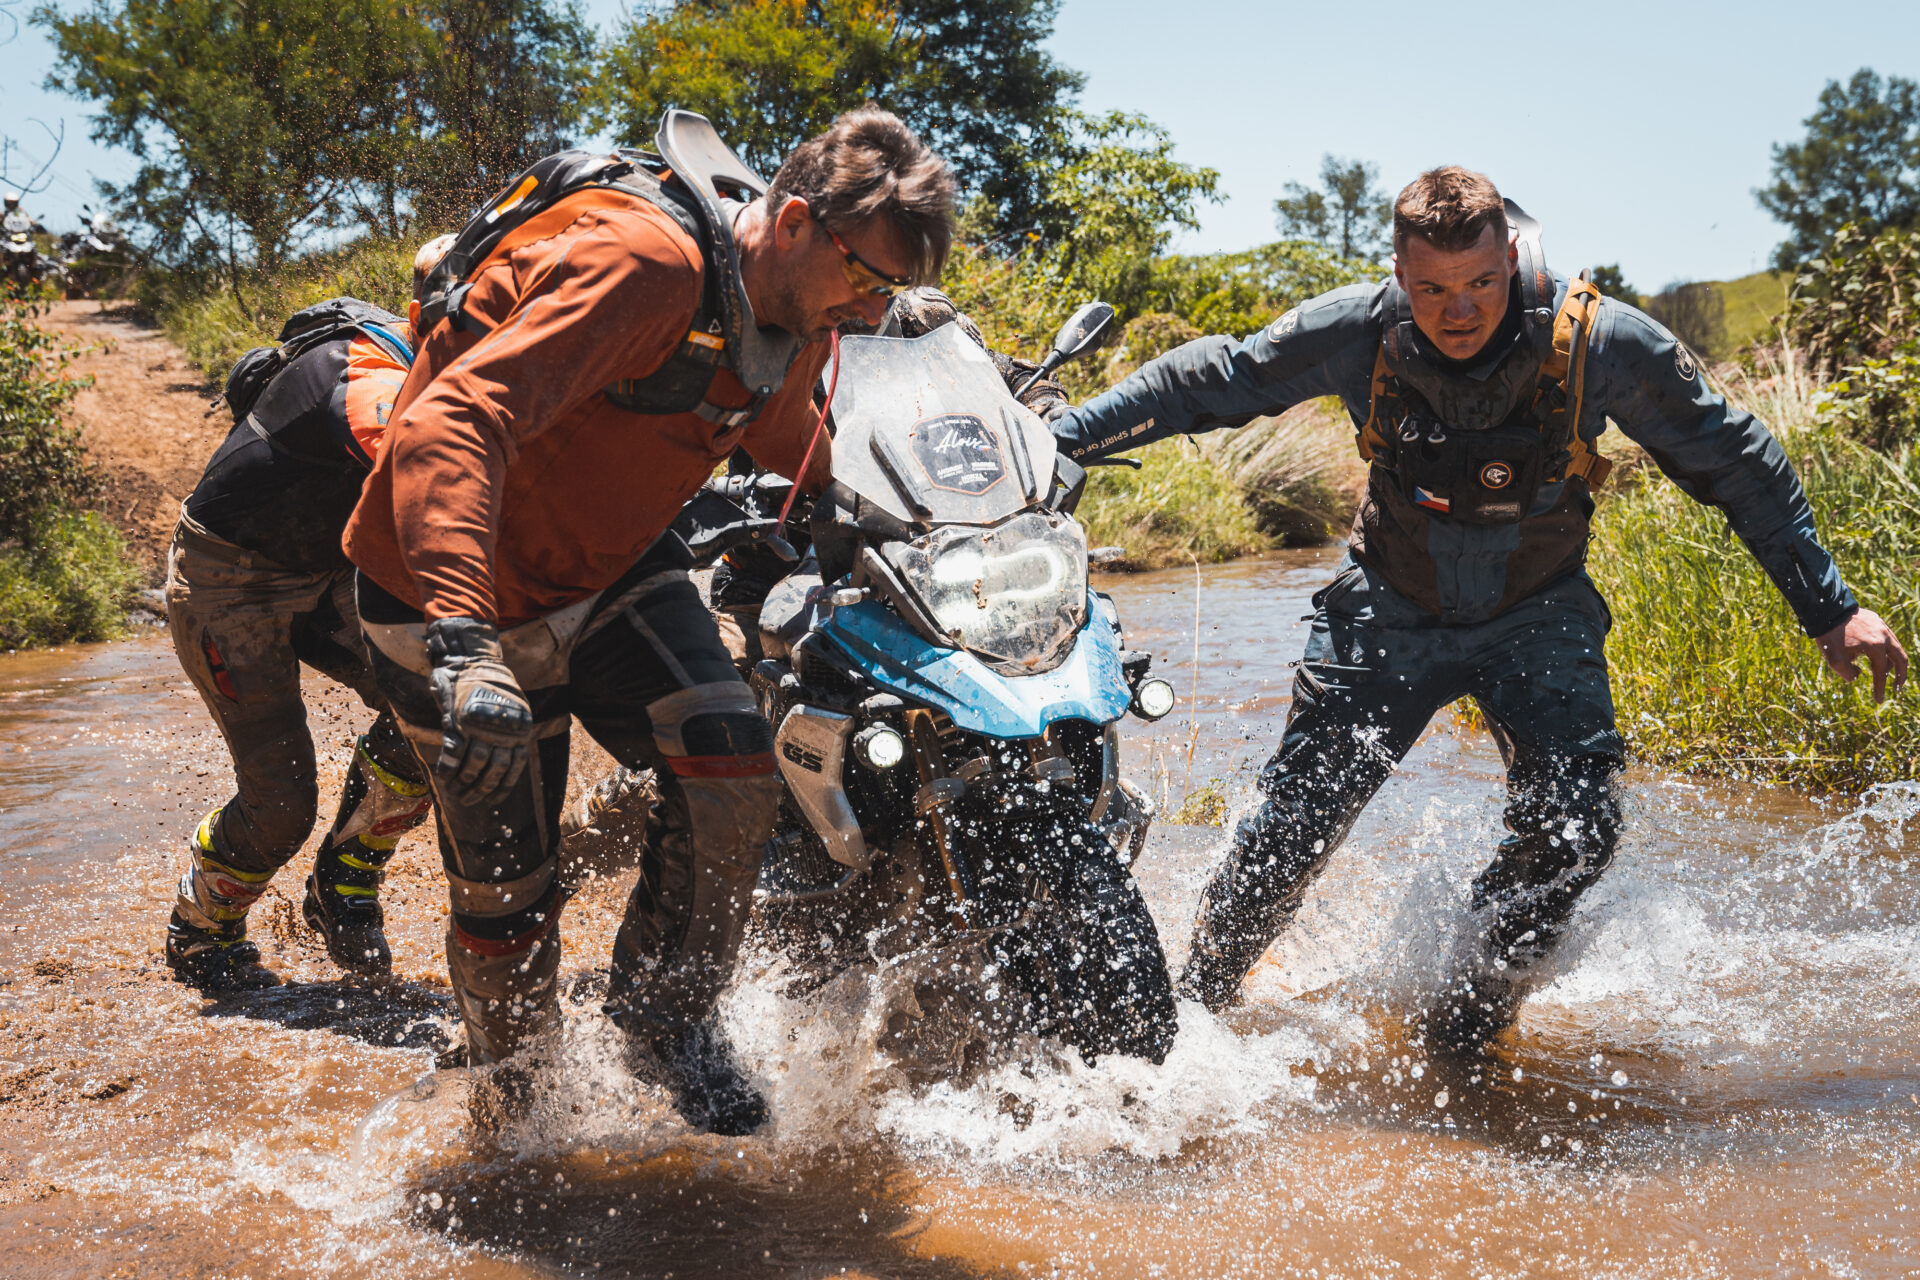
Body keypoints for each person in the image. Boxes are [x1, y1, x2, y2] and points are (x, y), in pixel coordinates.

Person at [1049, 166, 1908, 1052]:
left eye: (1481, 284)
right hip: (1386, 610)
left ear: (1514, 257)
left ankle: (1465, 1022)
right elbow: (1210, 381)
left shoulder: (1600, 342)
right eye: (1432, 290)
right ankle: (1195, 1017)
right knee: (1290, 835)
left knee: (1577, 831)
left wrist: (1830, 609)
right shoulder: (1357, 331)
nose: (1459, 311)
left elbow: (1737, 459)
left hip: (1537, 614)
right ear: (1399, 273)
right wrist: (1056, 439)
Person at [342, 107, 954, 1134]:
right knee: (509, 900)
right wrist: (466, 641)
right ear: (794, 222)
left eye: (889, 292)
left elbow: (787, 435)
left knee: (733, 760)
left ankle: (665, 1021)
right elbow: (453, 419)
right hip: (445, 584)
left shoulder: (800, 314)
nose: (870, 307)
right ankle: (515, 1104)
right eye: (865, 276)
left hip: (605, 560)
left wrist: (911, 510)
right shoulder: (647, 266)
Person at [163, 239, 457, 991]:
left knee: (439, 707)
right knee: (283, 802)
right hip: (229, 582)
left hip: (330, 573)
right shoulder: (361, 368)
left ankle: (344, 882)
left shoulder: (454, 367)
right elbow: (418, 459)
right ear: (426, 314)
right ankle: (201, 929)